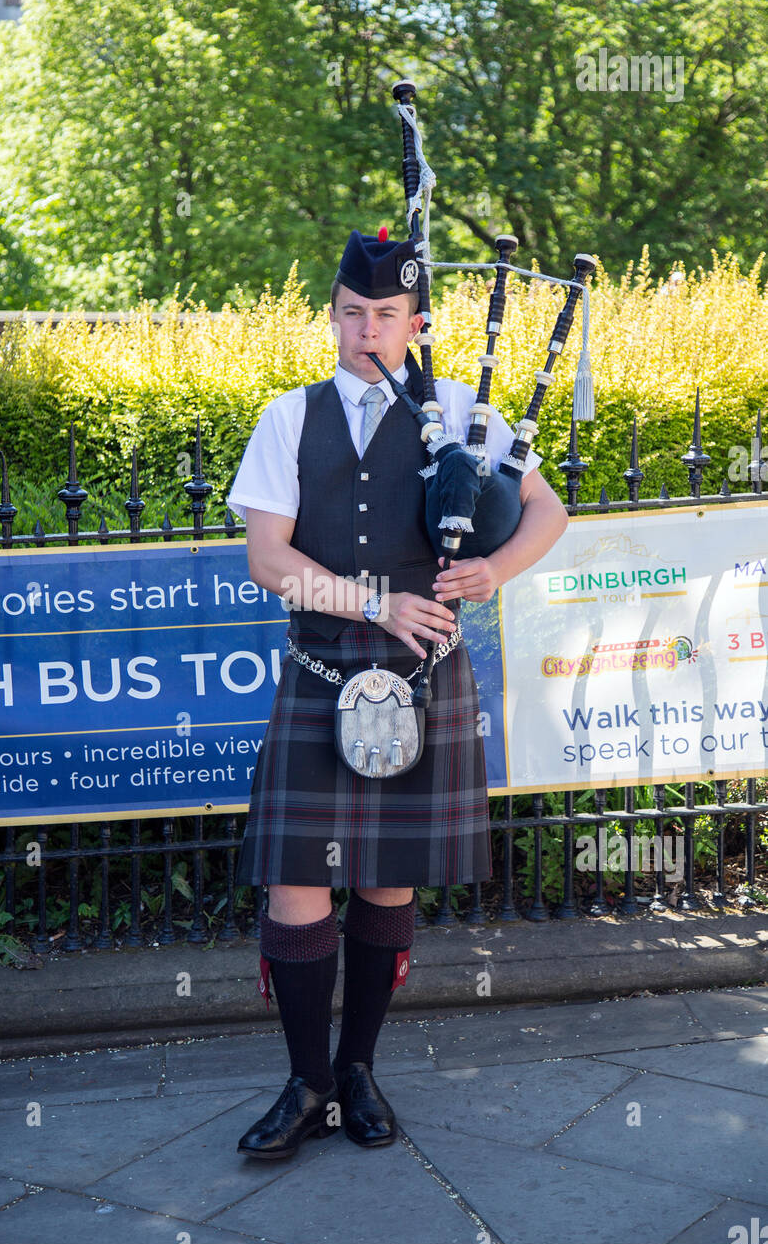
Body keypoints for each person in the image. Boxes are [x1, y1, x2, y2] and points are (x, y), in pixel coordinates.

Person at [225, 228, 568, 1161]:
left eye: (386, 316)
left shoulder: (466, 410)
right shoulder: (288, 418)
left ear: (416, 323)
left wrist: (492, 570)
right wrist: (373, 601)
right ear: (332, 316)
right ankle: (308, 1083)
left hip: (420, 683)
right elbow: (268, 559)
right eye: (351, 313)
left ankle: (361, 1071)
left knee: (385, 881)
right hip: (323, 671)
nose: (366, 331)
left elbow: (549, 510)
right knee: (297, 884)